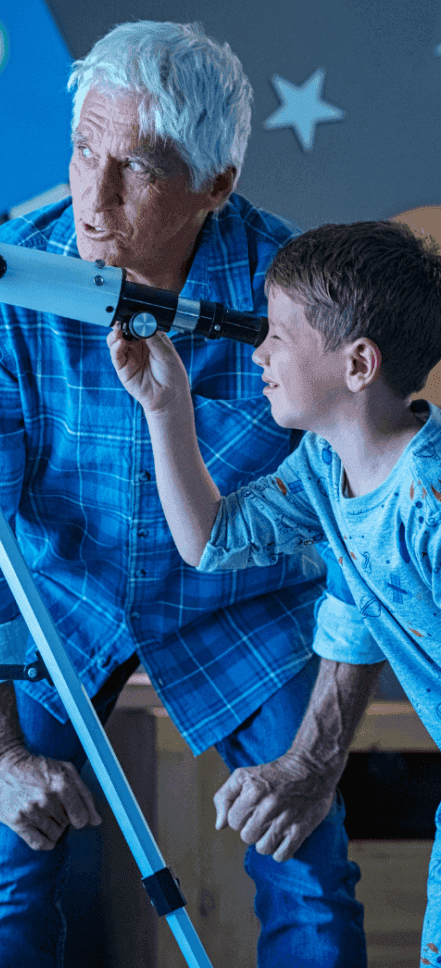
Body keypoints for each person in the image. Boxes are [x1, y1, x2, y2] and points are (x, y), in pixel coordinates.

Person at [0, 21, 376, 967]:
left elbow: (358, 530)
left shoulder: (302, 303)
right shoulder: (6, 287)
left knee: (312, 871)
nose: (93, 193)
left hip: (243, 605)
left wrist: (318, 757)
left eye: (139, 168)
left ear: (217, 185)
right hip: (67, 600)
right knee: (8, 866)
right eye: (85, 149)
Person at [110, 218, 441, 962]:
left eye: (281, 337)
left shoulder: (430, 501)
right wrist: (167, 409)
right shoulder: (327, 470)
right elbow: (211, 541)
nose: (258, 353)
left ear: (358, 365)